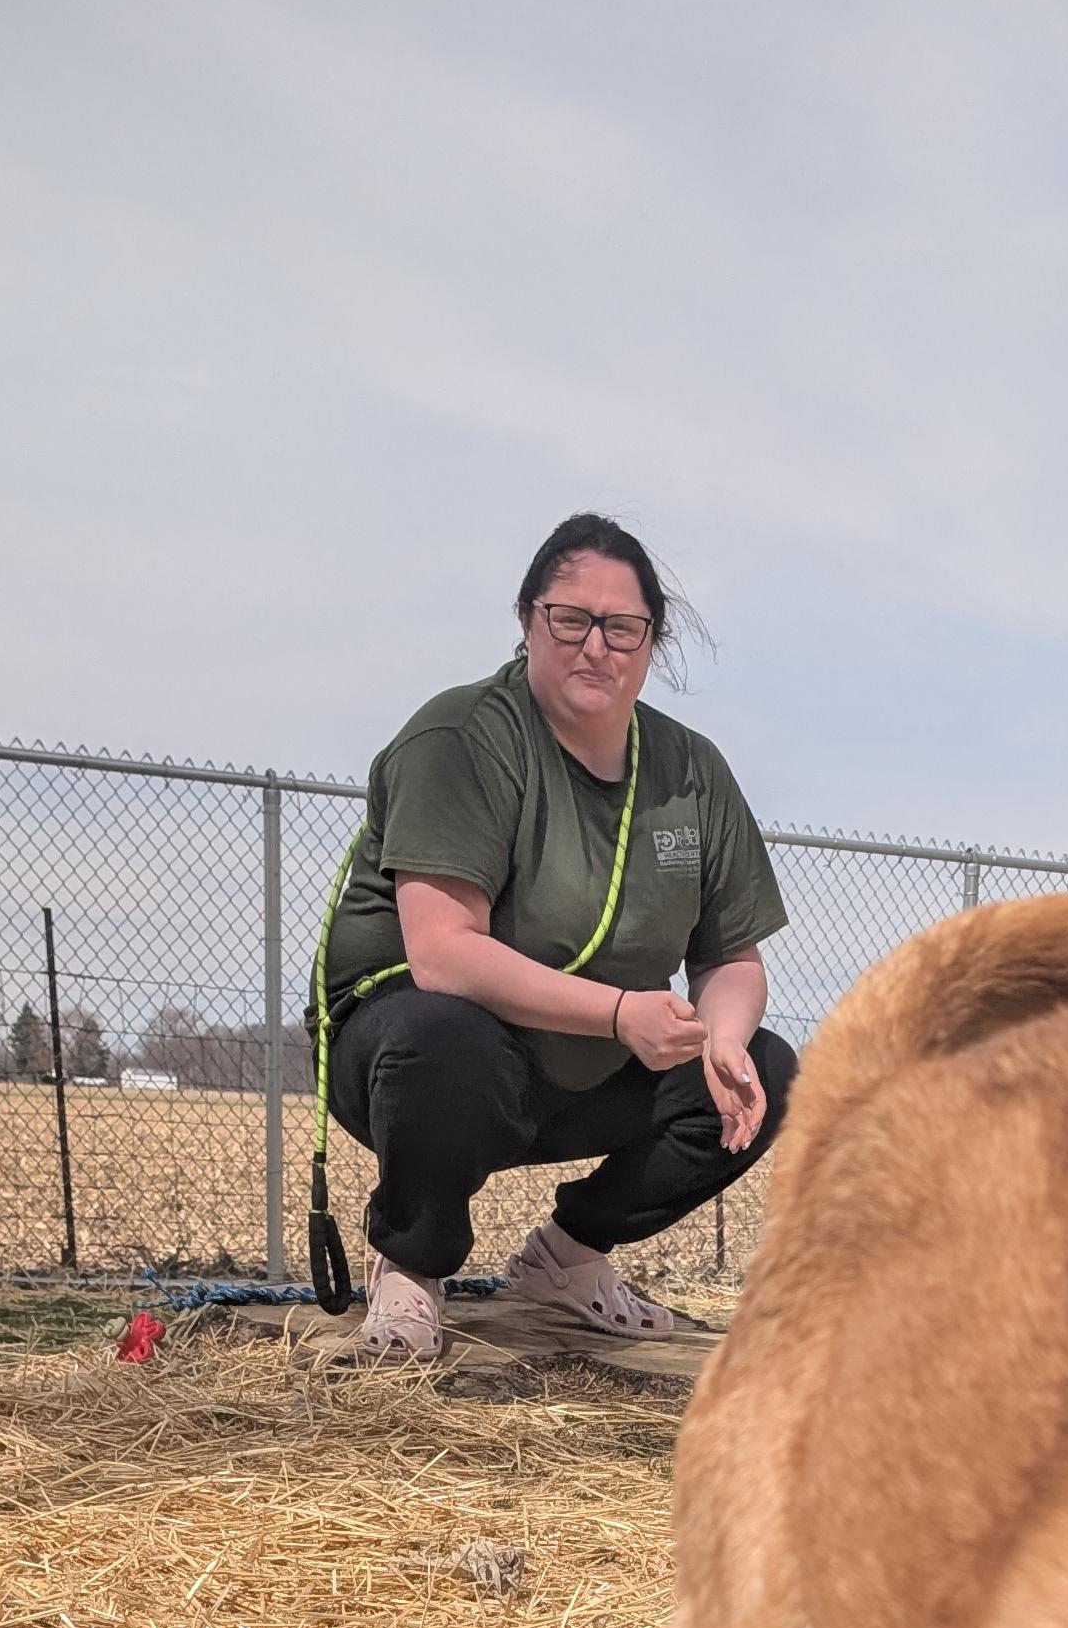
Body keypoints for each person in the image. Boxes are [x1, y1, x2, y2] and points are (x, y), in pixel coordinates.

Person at [317, 514, 797, 1362]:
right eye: (568, 619)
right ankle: (410, 1269)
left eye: (622, 628)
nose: (595, 647)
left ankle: (567, 1261)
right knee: (442, 1036)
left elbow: (730, 956)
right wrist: (619, 1015)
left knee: (772, 1067)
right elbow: (443, 952)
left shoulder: (693, 772)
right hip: (421, 1062)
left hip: (585, 1070)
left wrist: (721, 1036)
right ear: (527, 620)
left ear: (652, 643)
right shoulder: (462, 737)